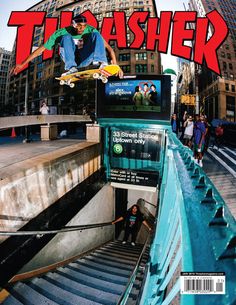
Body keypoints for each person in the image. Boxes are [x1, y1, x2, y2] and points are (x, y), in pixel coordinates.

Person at [12, 14, 123, 78]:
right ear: (73, 25)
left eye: (84, 26)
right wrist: (22, 64)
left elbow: (109, 48)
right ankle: (71, 68)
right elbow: (40, 50)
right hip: (70, 58)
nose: (82, 29)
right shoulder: (60, 32)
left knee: (96, 34)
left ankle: (102, 63)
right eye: (79, 26)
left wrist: (115, 66)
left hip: (85, 58)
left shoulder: (90, 30)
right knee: (66, 37)